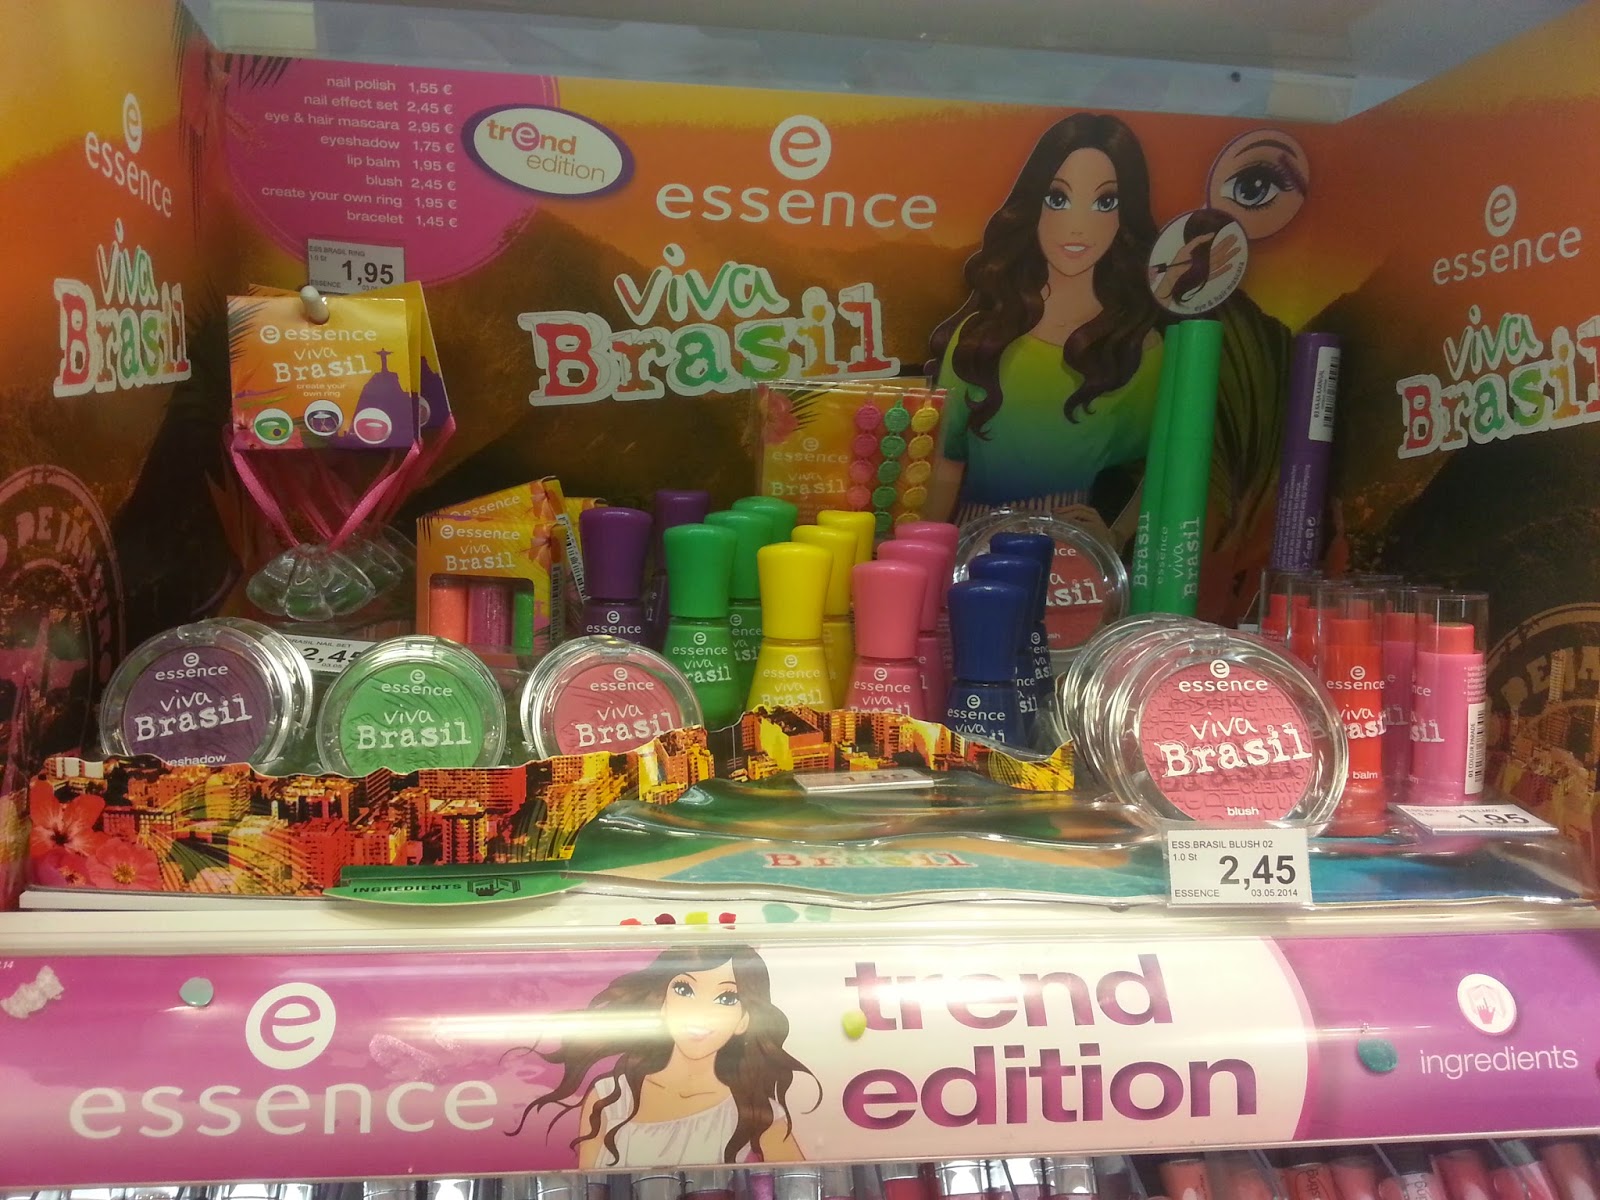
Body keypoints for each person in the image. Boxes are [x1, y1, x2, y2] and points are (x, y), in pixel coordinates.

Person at [925, 112, 1165, 530]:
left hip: (1069, 547)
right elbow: (946, 463)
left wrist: (1114, 535)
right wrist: (919, 550)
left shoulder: (1137, 347)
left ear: (1125, 213)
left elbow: (1165, 465)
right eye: (1058, 198)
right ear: (1033, 203)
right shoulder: (981, 335)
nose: (1077, 226)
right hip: (976, 538)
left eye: (1105, 202)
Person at [507, 945, 813, 1167]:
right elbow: (590, 1185)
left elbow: (803, 1184)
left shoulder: (755, 1111)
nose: (700, 1012)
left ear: (744, 1020)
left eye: (726, 998)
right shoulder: (611, 1096)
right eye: (684, 990)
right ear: (663, 1003)